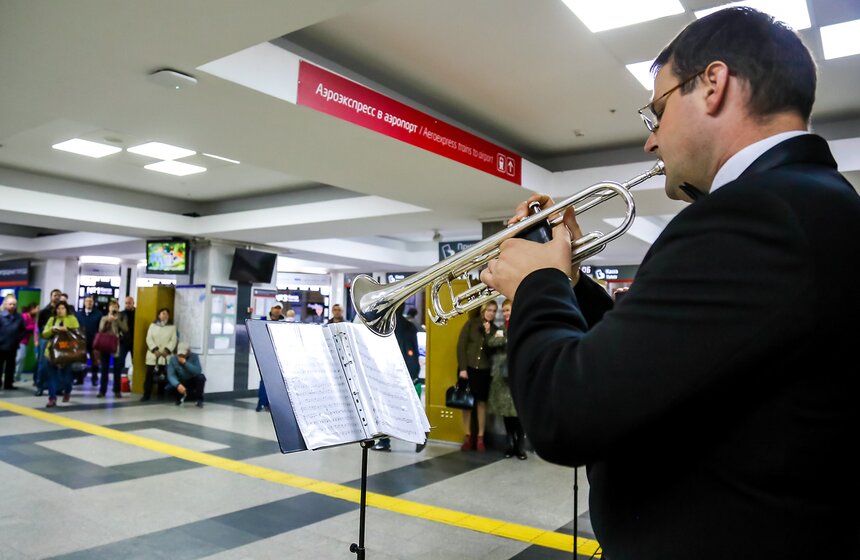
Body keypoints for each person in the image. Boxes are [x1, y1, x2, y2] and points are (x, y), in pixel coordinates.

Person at [481, 8, 860, 559]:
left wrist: (537, 284)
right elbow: (652, 360)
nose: (651, 144)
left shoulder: (754, 214)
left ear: (713, 84)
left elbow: (563, 415)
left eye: (656, 113)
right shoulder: (808, 203)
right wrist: (566, 280)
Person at [372, 304, 424, 452]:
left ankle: (384, 441)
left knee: (385, 406)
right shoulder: (409, 325)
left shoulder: (389, 326)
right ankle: (420, 431)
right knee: (404, 406)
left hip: (393, 371)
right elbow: (412, 351)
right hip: (406, 370)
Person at [486, 299, 526, 460]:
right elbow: (491, 342)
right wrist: (507, 338)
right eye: (504, 311)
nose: (506, 314)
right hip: (502, 377)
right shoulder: (502, 329)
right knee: (506, 413)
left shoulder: (523, 327)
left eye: (508, 310)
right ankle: (510, 443)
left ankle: (520, 446)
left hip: (517, 375)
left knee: (518, 413)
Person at [455, 301, 498, 452]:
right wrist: (463, 368)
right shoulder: (471, 324)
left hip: (484, 371)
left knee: (481, 403)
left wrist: (487, 334)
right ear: (483, 310)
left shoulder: (495, 331)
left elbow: (493, 351)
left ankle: (480, 437)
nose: (491, 313)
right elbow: (461, 346)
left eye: (494, 311)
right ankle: (468, 436)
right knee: (466, 404)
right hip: (468, 370)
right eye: (489, 310)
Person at [42, 302, 80, 407]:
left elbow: (77, 333)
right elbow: (44, 333)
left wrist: (66, 330)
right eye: (58, 308)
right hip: (52, 352)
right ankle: (52, 398)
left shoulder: (72, 319)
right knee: (52, 376)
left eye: (63, 308)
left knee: (66, 377)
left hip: (66, 352)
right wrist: (52, 329)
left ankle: (67, 391)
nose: (60, 310)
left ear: (66, 309)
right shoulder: (52, 319)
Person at [141, 308, 177, 401]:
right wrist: (154, 349)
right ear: (159, 315)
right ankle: (146, 395)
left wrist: (167, 350)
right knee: (149, 375)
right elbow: (148, 338)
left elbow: (173, 340)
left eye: (167, 314)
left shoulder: (172, 327)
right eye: (163, 313)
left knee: (163, 375)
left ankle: (161, 395)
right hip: (153, 355)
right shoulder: (152, 326)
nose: (165, 316)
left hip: (165, 355)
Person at [255, 303, 285, 412]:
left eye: (279, 309)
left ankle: (271, 404)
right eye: (275, 308)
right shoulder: (262, 320)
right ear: (271, 309)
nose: (277, 311)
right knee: (264, 380)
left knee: (277, 382)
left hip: (279, 355)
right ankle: (261, 403)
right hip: (266, 354)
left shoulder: (284, 322)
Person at [96, 300, 128, 398]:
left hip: (117, 346)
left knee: (117, 369)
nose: (114, 308)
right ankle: (102, 391)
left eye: (116, 306)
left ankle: (117, 390)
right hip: (105, 345)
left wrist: (117, 320)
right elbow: (100, 330)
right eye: (112, 306)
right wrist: (108, 320)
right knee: (104, 369)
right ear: (109, 308)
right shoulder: (104, 318)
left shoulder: (122, 317)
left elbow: (125, 329)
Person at [35, 289, 62, 396]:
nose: (57, 297)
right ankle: (40, 386)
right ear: (51, 297)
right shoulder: (44, 311)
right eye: (55, 295)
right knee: (43, 364)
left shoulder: (63, 311)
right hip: (46, 339)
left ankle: (58, 388)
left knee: (59, 364)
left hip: (59, 339)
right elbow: (39, 326)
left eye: (59, 296)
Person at [167, 342, 205, 407]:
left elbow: (198, 371)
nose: (182, 356)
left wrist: (185, 363)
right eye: (180, 354)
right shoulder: (173, 359)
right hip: (181, 380)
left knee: (201, 377)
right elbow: (171, 375)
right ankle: (179, 398)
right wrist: (177, 384)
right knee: (169, 387)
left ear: (189, 352)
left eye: (184, 354)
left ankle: (199, 400)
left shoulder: (194, 356)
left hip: (191, 379)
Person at [75, 295, 102, 386]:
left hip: (94, 341)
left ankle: (94, 378)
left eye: (91, 301)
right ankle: (80, 378)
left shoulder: (98, 314)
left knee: (95, 360)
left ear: (93, 303)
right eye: (87, 301)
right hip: (82, 341)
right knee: (80, 360)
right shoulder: (78, 314)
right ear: (84, 303)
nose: (89, 303)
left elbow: (100, 328)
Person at [0, 295, 25, 390]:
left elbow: (23, 330)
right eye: (10, 304)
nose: (12, 306)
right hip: (1, 345)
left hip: (13, 346)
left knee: (11, 366)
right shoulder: (1, 316)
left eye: (14, 304)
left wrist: (17, 339)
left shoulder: (19, 317)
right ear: (5, 305)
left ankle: (8, 384)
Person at [15, 303, 39, 382]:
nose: (38, 310)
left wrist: (36, 340)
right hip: (20, 340)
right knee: (19, 358)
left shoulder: (33, 318)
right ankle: (13, 374)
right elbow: (22, 327)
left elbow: (35, 331)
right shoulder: (24, 316)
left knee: (21, 358)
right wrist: (33, 327)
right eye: (37, 308)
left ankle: (17, 376)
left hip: (25, 341)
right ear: (32, 309)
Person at [118, 296, 135, 377]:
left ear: (133, 303)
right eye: (126, 303)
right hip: (123, 342)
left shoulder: (137, 314)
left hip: (134, 342)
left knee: (135, 362)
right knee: (120, 361)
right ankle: (118, 382)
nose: (127, 305)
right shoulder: (121, 314)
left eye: (129, 303)